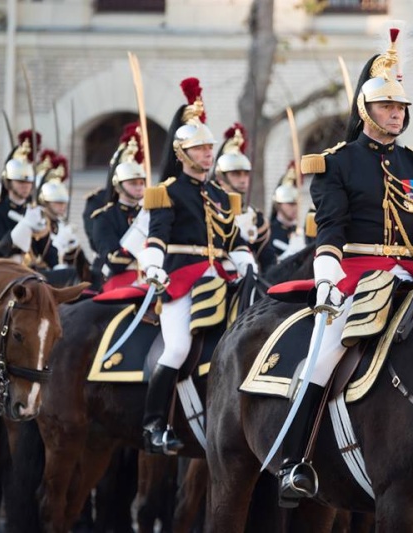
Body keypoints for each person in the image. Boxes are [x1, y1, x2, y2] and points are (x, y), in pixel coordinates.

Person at [278, 26, 413, 507]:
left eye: (401, 107)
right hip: (355, 272)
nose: (396, 113)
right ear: (365, 109)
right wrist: (328, 272)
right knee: (325, 354)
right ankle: (297, 461)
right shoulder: (337, 163)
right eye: (386, 106)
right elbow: (330, 226)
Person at [138, 77, 254, 455]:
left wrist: (246, 259)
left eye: (209, 148)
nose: (208, 154)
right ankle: (154, 425)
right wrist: (154, 265)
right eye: (200, 148)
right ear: (182, 152)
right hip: (183, 280)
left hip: (221, 276)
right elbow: (156, 235)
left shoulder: (221, 195)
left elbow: (233, 239)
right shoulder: (167, 191)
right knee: (176, 348)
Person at [214, 122, 277, 273]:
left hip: (248, 278)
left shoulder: (255, 217)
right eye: (236, 174)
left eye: (245, 174)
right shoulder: (212, 210)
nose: (243, 179)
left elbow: (267, 260)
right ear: (221, 177)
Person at [91, 131, 147, 291]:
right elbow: (115, 262)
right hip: (118, 282)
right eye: (132, 183)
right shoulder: (104, 217)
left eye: (141, 182)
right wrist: (141, 233)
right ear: (118, 186)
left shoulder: (147, 214)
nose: (139, 187)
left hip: (148, 279)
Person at [0, 130, 47, 262]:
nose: (26, 186)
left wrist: (46, 234)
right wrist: (21, 230)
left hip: (32, 272)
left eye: (28, 182)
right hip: (5, 270)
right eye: (20, 181)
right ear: (8, 183)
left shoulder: (34, 212)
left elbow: (44, 254)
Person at [269, 161, 306, 260]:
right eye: (290, 204)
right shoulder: (268, 232)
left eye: (297, 204)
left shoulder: (301, 233)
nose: (295, 208)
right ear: (279, 204)